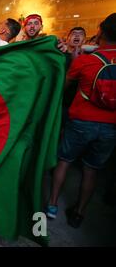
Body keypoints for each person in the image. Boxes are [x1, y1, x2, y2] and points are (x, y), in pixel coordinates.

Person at [46, 13, 116, 228]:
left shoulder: (86, 61)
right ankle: (79, 212)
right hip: (111, 127)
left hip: (81, 121)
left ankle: (52, 204)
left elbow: (62, 88)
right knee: (91, 169)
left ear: (100, 32)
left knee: (64, 161)